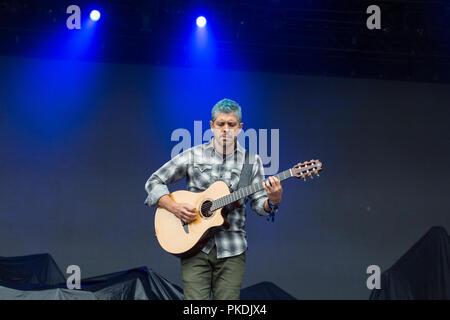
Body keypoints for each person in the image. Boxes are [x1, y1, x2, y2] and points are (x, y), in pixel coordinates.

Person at [144, 98, 282, 300]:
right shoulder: (193, 155)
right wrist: (173, 207)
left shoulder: (251, 162)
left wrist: (273, 201)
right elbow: (153, 182)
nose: (225, 129)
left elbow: (260, 206)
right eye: (221, 124)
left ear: (240, 127)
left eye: (231, 124)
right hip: (194, 247)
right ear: (211, 126)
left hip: (232, 249)